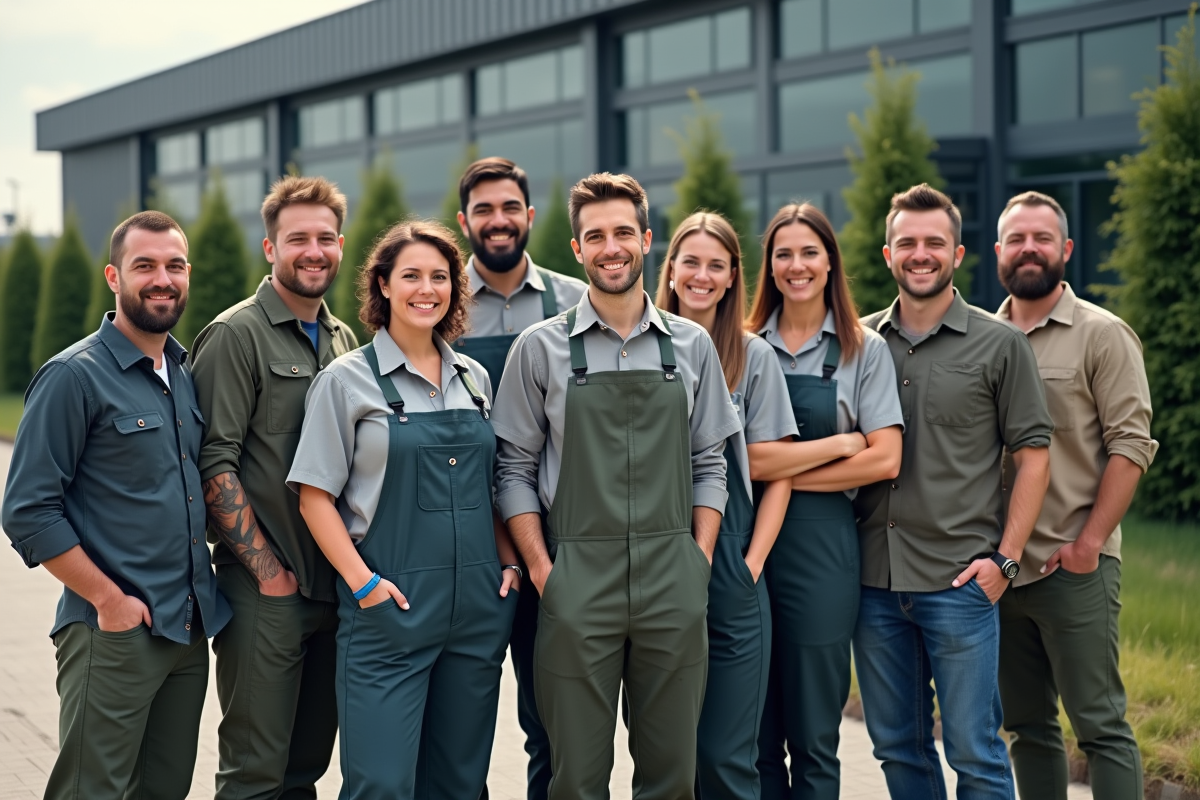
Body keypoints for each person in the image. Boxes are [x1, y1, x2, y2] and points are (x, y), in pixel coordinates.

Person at [493, 173, 741, 800]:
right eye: (596, 236)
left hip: (673, 577)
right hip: (577, 581)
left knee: (672, 776)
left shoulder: (692, 345)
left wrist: (698, 558)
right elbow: (513, 469)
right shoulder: (539, 349)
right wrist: (546, 573)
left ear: (647, 240)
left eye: (623, 232)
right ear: (577, 248)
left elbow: (710, 462)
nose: (612, 248)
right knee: (576, 778)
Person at [2, 211, 231, 800]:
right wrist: (109, 601)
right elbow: (27, 510)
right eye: (144, 266)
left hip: (185, 631)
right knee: (91, 791)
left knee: (164, 790)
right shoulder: (73, 377)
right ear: (114, 277)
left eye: (175, 266)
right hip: (113, 632)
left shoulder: (182, 372)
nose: (162, 279)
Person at [288, 219, 520, 799]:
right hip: (389, 614)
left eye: (440, 277)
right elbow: (314, 497)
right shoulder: (345, 381)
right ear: (384, 285)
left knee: (460, 784)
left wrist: (509, 564)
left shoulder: (474, 378)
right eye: (411, 275)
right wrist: (364, 584)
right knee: (382, 785)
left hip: (476, 613)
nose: (427, 289)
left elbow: (491, 486)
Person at [854, 184, 1053, 799]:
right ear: (888, 254)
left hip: (959, 584)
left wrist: (1006, 561)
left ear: (958, 253)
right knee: (897, 748)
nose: (921, 254)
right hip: (873, 584)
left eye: (934, 243)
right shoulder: (858, 343)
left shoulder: (1001, 344)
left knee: (975, 752)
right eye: (907, 243)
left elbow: (1034, 458)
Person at [190, 176, 359, 799]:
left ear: (340, 246)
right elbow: (214, 462)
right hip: (267, 592)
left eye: (325, 238)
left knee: (304, 768)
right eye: (297, 239)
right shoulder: (236, 335)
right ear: (270, 248)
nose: (313, 252)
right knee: (254, 773)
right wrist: (268, 573)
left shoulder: (344, 340)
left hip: (336, 590)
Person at [994, 191, 1156, 800]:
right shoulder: (982, 337)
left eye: (1042, 238)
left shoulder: (1102, 335)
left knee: (1100, 727)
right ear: (998, 251)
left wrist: (1088, 544)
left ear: (1064, 248)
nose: (1029, 249)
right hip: (1001, 570)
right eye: (1017, 239)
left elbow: (1131, 445)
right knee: (1027, 727)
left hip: (1072, 567)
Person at [743, 203, 904, 800]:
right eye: (783, 253)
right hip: (744, 547)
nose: (797, 265)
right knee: (752, 731)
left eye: (809, 252)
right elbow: (740, 462)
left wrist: (778, 475)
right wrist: (836, 447)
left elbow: (885, 460)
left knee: (814, 734)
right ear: (768, 266)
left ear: (831, 261)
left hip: (823, 553)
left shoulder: (865, 349)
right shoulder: (741, 345)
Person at [451, 156, 587, 800]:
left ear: (529, 216)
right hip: (460, 541)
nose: (498, 220)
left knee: (552, 720)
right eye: (483, 209)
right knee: (458, 727)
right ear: (464, 222)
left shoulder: (576, 301)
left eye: (509, 207)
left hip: (550, 538)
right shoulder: (435, 300)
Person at [654, 211, 796, 799]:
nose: (702, 276)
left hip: (733, 566)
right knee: (669, 753)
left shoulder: (754, 357)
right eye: (690, 262)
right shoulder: (642, 347)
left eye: (716, 265)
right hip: (653, 566)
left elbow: (779, 473)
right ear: (670, 269)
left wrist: (751, 563)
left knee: (726, 756)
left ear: (734, 276)